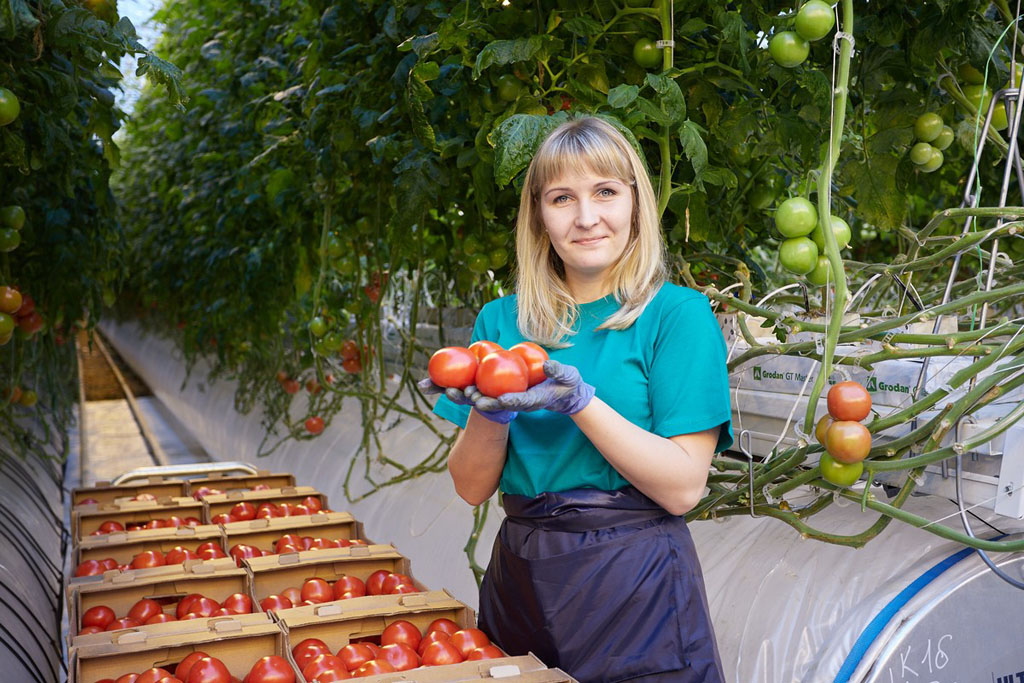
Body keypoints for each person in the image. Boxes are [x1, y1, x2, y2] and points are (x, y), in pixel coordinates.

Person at [424, 116, 733, 682]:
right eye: (563, 198)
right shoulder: (501, 321)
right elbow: (471, 487)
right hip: (523, 577)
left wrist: (579, 404)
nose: (587, 217)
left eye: (606, 192)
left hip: (636, 585)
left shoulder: (676, 316)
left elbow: (684, 486)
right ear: (539, 215)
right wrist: (490, 415)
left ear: (635, 203)